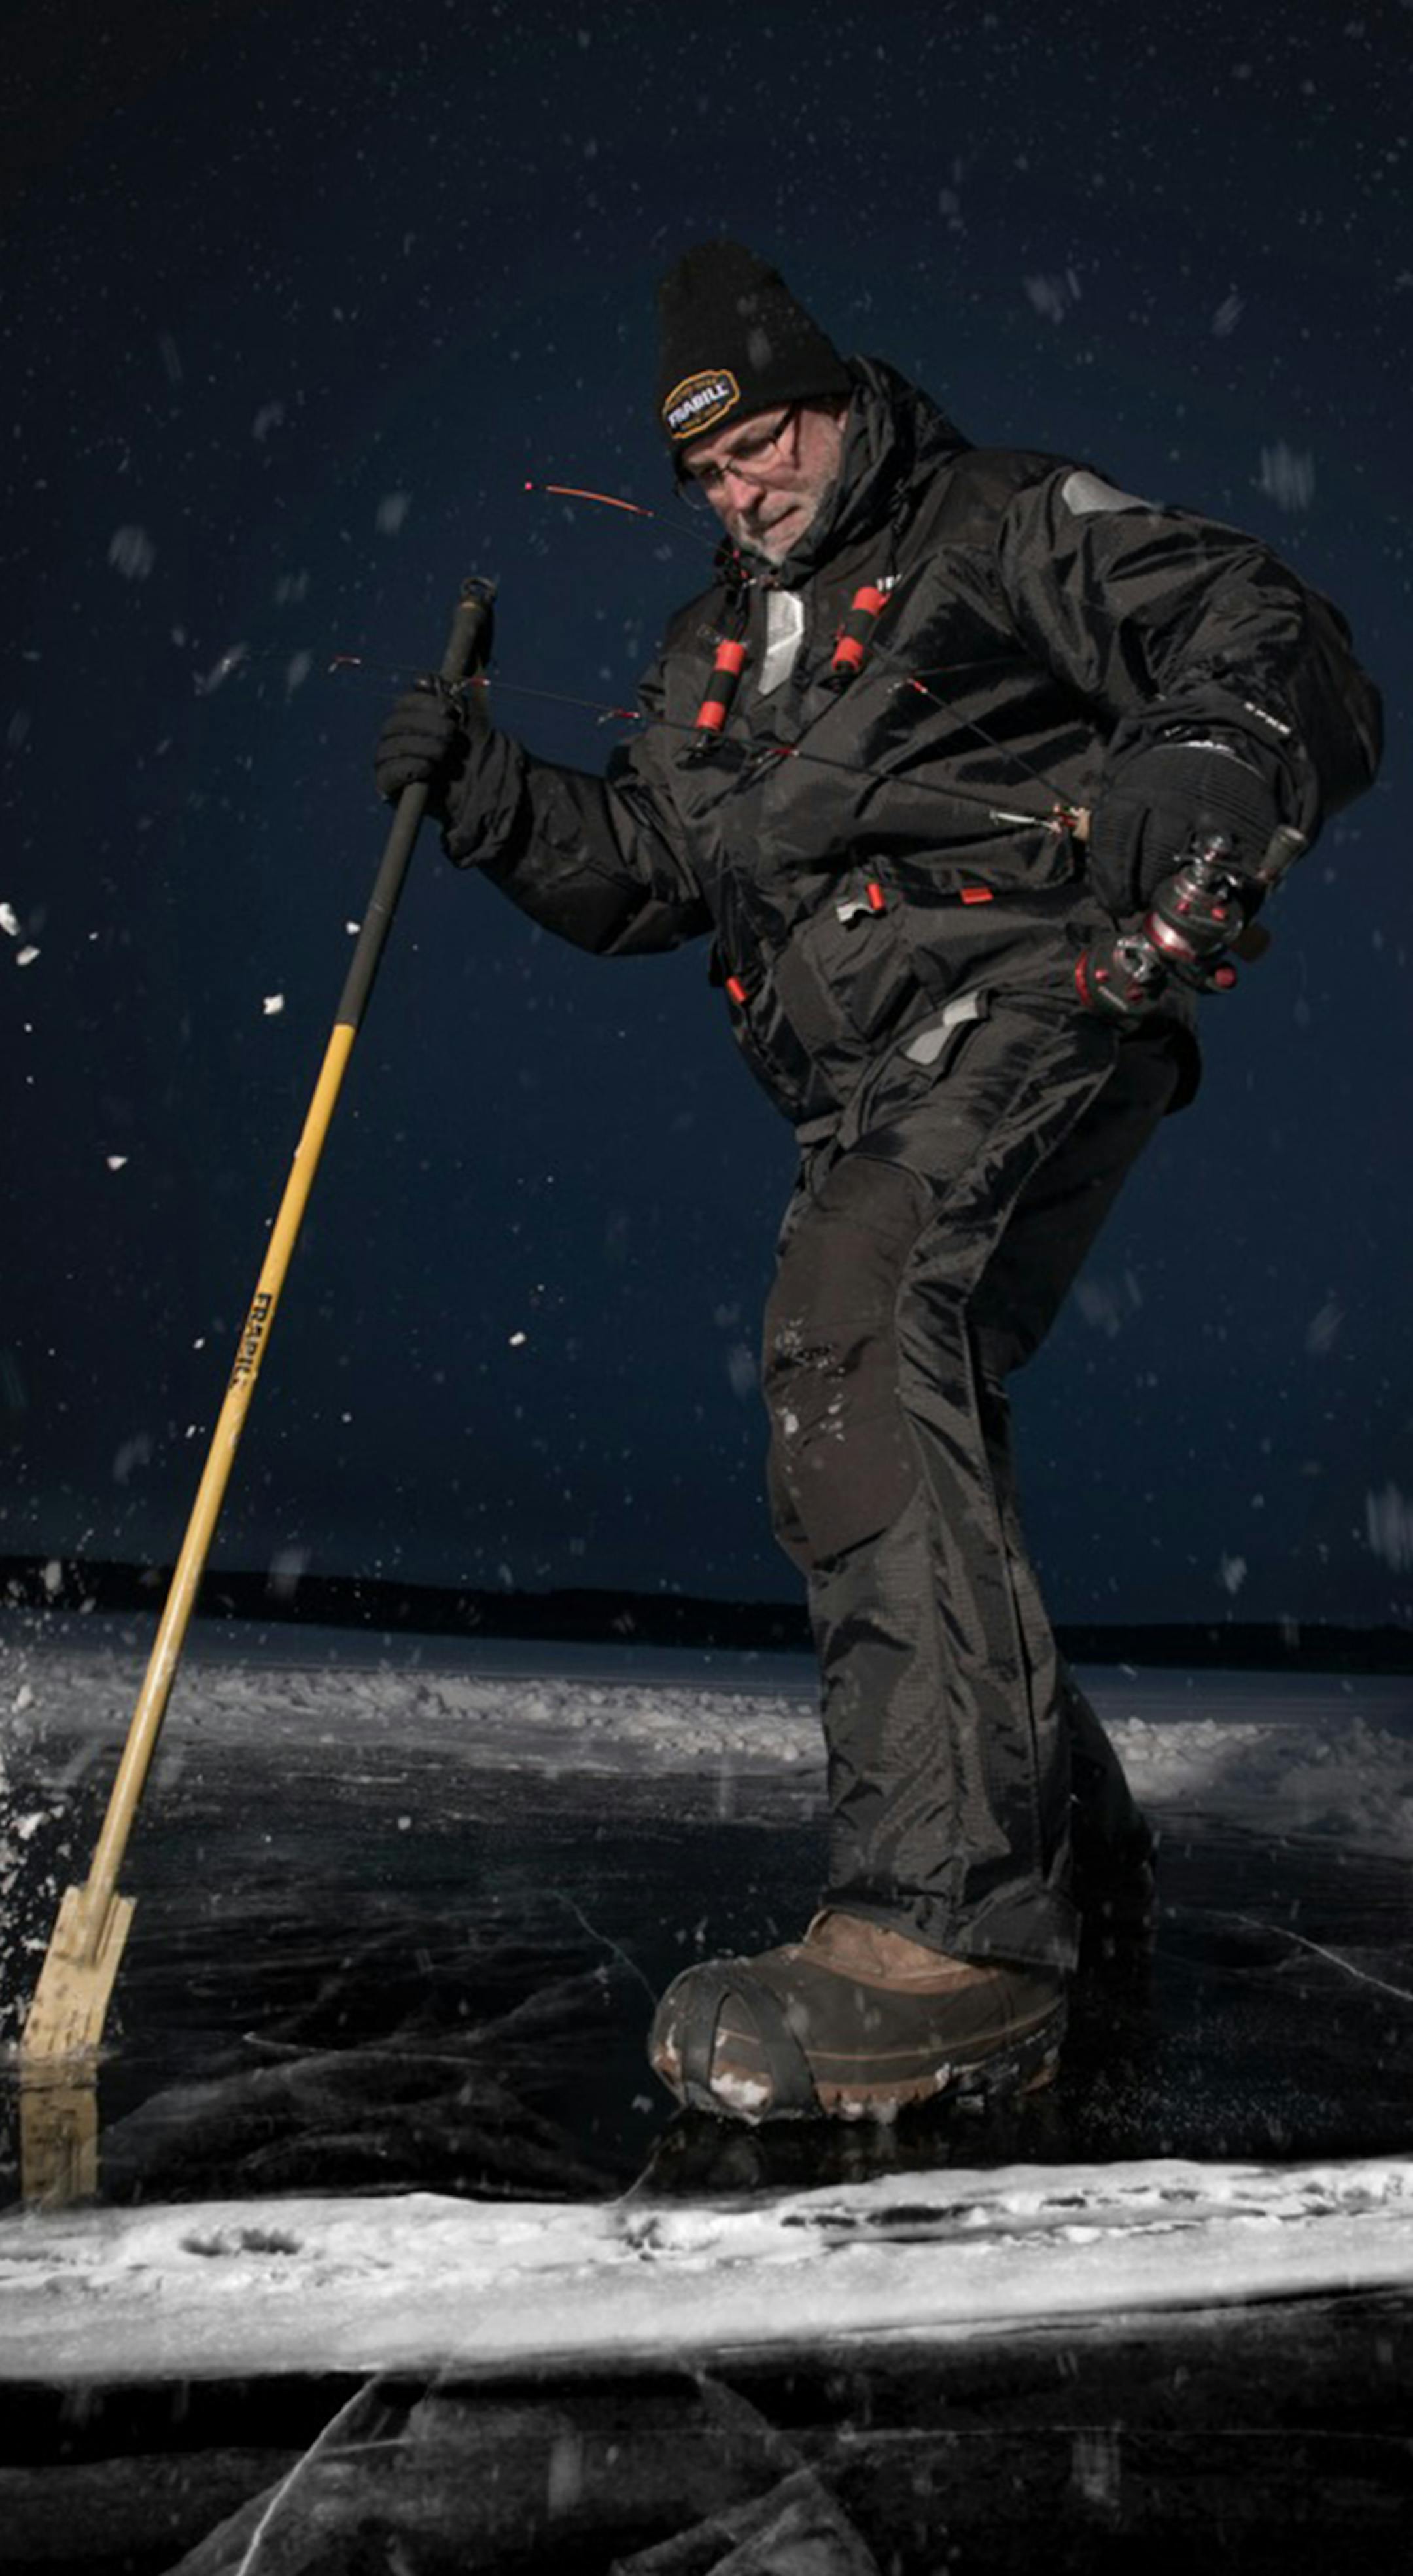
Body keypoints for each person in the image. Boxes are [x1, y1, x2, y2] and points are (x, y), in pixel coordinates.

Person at [375, 242, 1381, 2125]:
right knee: (906, 1403)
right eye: (708, 470)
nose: (742, 487)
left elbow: (1260, 625)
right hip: (864, 1081)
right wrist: (493, 797)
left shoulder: (993, 527)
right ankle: (1068, 1856)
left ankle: (951, 1936)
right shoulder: (707, 656)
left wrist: (1206, 755)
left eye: (761, 440)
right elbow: (650, 872)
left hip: (1035, 995)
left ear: (832, 400)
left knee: (852, 1312)